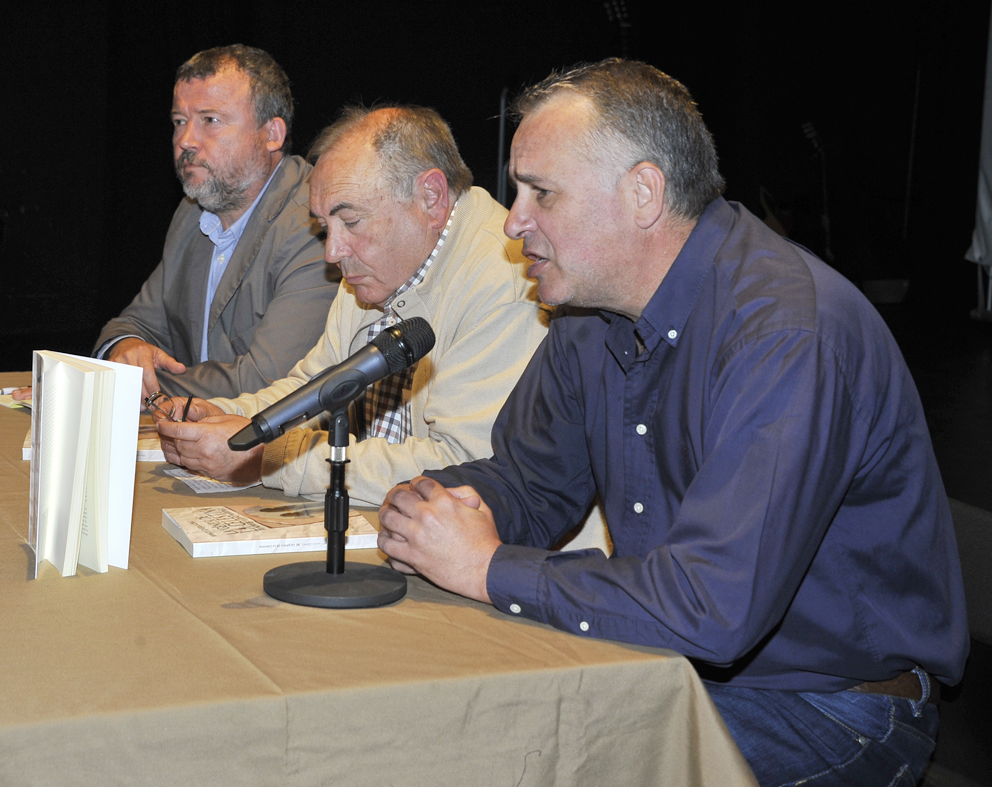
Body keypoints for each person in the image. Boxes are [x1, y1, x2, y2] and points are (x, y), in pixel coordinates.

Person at [377, 60, 968, 786]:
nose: (512, 219)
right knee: (439, 720)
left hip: (831, 709)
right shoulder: (588, 315)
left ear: (643, 193)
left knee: (516, 758)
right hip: (678, 666)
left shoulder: (785, 332)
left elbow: (710, 609)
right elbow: (529, 484)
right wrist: (437, 505)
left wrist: (488, 566)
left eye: (540, 192)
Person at [155, 105, 553, 508]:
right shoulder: (371, 272)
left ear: (431, 198)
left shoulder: (506, 282)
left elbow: (460, 468)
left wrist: (268, 457)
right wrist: (218, 416)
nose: (332, 252)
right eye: (325, 228)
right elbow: (311, 391)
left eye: (352, 222)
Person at [92, 45, 336, 401]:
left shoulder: (315, 225)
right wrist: (127, 348)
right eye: (179, 121)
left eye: (210, 120)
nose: (186, 141)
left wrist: (122, 387)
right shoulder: (193, 213)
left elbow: (268, 383)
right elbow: (133, 325)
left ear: (272, 134)